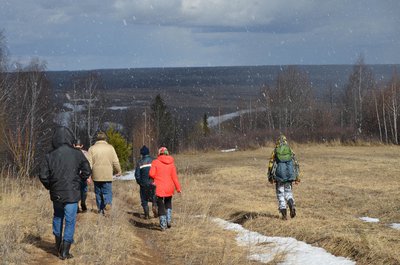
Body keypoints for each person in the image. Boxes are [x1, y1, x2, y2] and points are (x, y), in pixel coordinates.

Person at [39, 126, 91, 260]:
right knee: (70, 220)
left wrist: (51, 186)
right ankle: (65, 251)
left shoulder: (49, 155)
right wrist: (79, 181)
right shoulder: (77, 153)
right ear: (70, 138)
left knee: (57, 216)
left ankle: (58, 246)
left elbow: (43, 176)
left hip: (56, 192)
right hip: (72, 193)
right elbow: (87, 171)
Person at [88, 131, 122, 215]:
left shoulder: (92, 148)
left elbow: (89, 163)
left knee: (98, 193)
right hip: (107, 174)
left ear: (97, 139)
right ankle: (108, 203)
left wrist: (88, 175)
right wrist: (119, 170)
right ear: (105, 138)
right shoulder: (110, 148)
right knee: (107, 192)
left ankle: (100, 210)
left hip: (96, 175)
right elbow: (115, 161)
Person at [267, 134, 300, 220]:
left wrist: (270, 177)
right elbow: (296, 163)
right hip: (289, 175)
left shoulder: (275, 151)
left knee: (280, 194)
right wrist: (297, 177)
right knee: (288, 191)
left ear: (277, 142)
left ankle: (284, 214)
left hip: (279, 176)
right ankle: (291, 202)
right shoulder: (290, 150)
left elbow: (271, 164)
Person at [149, 147, 181, 230]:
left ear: (159, 153)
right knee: (168, 202)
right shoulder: (171, 163)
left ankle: (163, 224)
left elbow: (151, 174)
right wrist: (178, 188)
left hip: (159, 187)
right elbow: (175, 178)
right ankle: (169, 219)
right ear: (167, 153)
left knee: (160, 204)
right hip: (169, 187)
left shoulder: (155, 162)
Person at [135, 145, 157, 219]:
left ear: (141, 154)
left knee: (144, 200)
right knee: (154, 196)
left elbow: (137, 175)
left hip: (143, 184)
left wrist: (140, 183)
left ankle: (146, 215)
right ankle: (154, 205)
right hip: (153, 182)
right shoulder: (154, 161)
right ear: (148, 152)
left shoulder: (140, 162)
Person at [73, 139, 91, 213]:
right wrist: (88, 177)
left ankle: (76, 206)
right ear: (82, 145)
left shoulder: (70, 153)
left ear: (73, 145)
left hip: (73, 175)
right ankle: (83, 202)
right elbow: (89, 165)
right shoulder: (86, 153)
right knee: (84, 190)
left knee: (75, 191)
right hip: (83, 175)